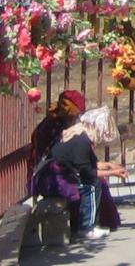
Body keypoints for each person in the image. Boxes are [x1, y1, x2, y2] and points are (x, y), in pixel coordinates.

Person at [30, 90, 126, 238]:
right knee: (92, 185)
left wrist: (111, 166)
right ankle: (86, 227)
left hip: (63, 173)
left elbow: (89, 163)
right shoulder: (79, 139)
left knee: (95, 183)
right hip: (52, 178)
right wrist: (113, 173)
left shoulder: (80, 135)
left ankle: (94, 222)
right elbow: (87, 171)